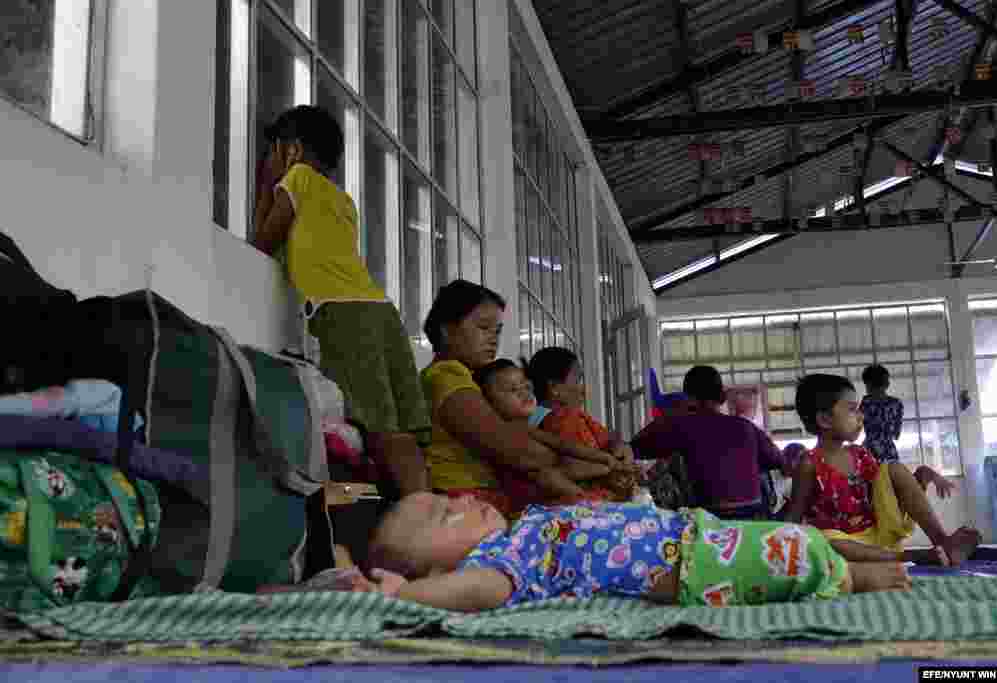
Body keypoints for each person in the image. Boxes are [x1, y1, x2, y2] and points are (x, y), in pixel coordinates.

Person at [252, 105, 430, 497]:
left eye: (273, 151)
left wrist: (266, 185)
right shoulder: (342, 201)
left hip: (344, 313)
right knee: (398, 430)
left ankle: (420, 517)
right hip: (380, 311)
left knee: (378, 429)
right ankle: (425, 506)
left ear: (292, 150)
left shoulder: (296, 178)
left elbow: (263, 243)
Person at [358, 492, 911, 612]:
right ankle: (865, 581)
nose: (462, 499)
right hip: (691, 566)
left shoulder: (518, 530)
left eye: (448, 495)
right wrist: (407, 595)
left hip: (694, 530)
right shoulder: (498, 564)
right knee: (789, 556)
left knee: (801, 536)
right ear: (438, 567)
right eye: (443, 514)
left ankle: (879, 559)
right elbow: (474, 592)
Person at [420, 280, 606, 516]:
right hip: (463, 504)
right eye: (483, 327)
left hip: (483, 499)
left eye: (497, 331)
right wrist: (565, 459)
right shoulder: (447, 375)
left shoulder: (468, 379)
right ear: (447, 330)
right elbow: (516, 452)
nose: (493, 339)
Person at [788, 374, 980, 566]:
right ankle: (913, 557)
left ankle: (943, 544)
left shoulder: (860, 454)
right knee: (823, 541)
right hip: (844, 548)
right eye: (852, 410)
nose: (861, 416)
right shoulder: (809, 463)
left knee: (893, 468)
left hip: (878, 538)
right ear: (825, 420)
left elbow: (886, 492)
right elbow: (793, 521)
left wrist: (922, 476)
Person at [631, 366, 794, 520]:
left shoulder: (678, 425)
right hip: (753, 519)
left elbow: (633, 449)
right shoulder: (747, 427)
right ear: (722, 397)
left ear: (687, 399)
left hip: (708, 520)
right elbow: (780, 462)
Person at [475, 359, 635, 506]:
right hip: (521, 492)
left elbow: (565, 446)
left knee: (554, 472)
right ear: (488, 403)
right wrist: (607, 461)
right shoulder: (512, 428)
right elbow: (564, 447)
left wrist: (606, 459)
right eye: (512, 389)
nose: (524, 393)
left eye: (526, 386)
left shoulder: (532, 424)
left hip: (540, 488)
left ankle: (591, 496)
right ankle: (585, 500)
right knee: (548, 474)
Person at [525, 347, 640, 499]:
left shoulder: (535, 417)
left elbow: (610, 440)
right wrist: (619, 465)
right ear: (554, 388)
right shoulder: (563, 417)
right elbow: (574, 465)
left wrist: (618, 445)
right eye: (578, 380)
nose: (583, 390)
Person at [860, 364, 903, 464]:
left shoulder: (865, 403)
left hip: (869, 451)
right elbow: (896, 434)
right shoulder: (896, 404)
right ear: (887, 384)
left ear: (868, 384)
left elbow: (856, 426)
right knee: (891, 476)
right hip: (889, 451)